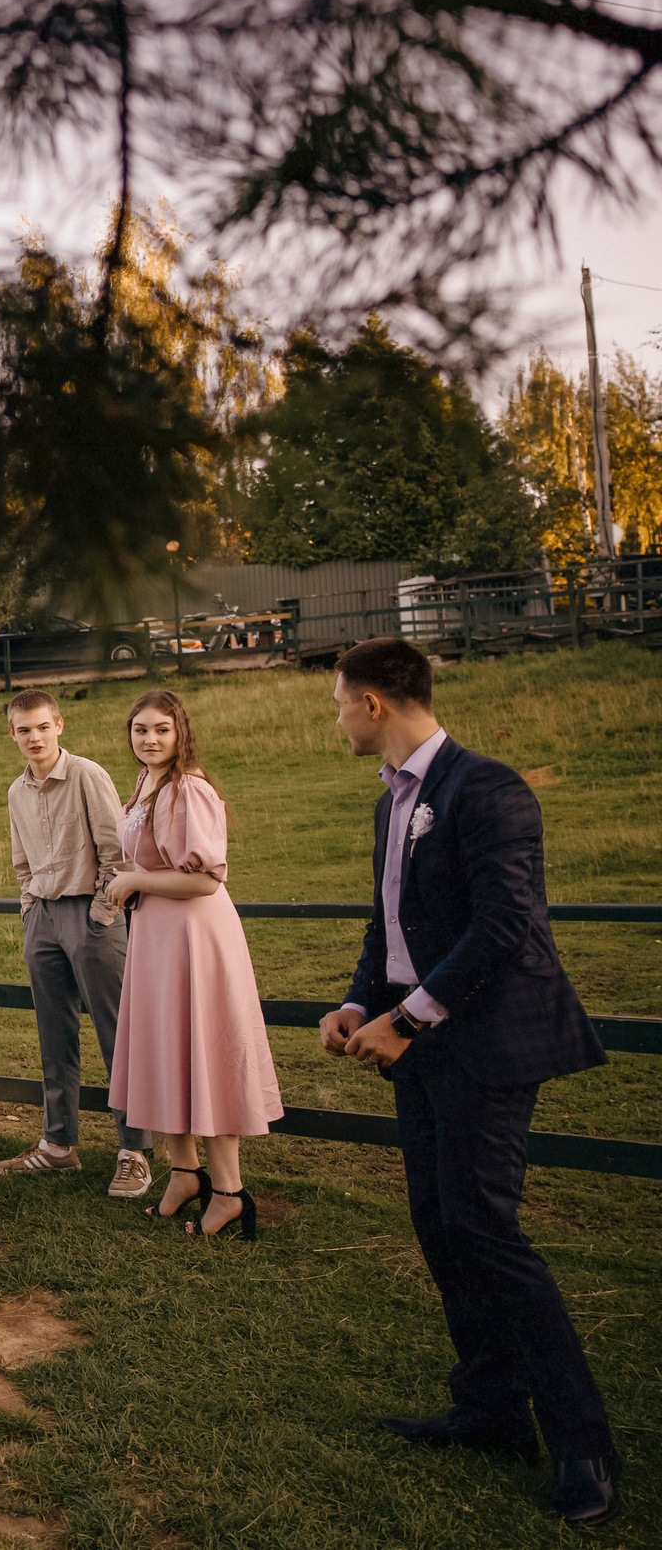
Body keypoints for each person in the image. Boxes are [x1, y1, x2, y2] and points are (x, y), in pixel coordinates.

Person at [316, 639, 617, 1527]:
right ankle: (489, 1410)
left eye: (338, 704)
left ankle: (583, 1443)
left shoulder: (486, 788)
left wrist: (407, 1019)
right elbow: (392, 924)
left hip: (485, 1044)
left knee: (486, 1230)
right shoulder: (390, 808)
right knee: (441, 1226)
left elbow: (506, 929)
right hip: (421, 1048)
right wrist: (357, 999)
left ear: (373, 703)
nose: (336, 719)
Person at [102, 691, 282, 1238]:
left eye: (161, 729)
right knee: (164, 1052)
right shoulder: (145, 784)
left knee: (203, 1051)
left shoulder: (190, 789)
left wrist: (133, 880)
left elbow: (206, 878)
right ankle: (185, 1173)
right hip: (157, 934)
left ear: (180, 732)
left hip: (195, 936)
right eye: (140, 730)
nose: (149, 740)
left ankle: (229, 1192)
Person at [0, 689, 155, 1196]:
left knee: (117, 1033)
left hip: (92, 916)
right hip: (41, 918)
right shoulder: (15, 791)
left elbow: (117, 852)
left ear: (59, 725)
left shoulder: (88, 775)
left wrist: (101, 914)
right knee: (53, 1036)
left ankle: (134, 1151)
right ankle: (59, 1145)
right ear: (13, 735)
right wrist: (29, 910)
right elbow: (22, 860)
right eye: (24, 730)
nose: (34, 737)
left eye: (42, 726)